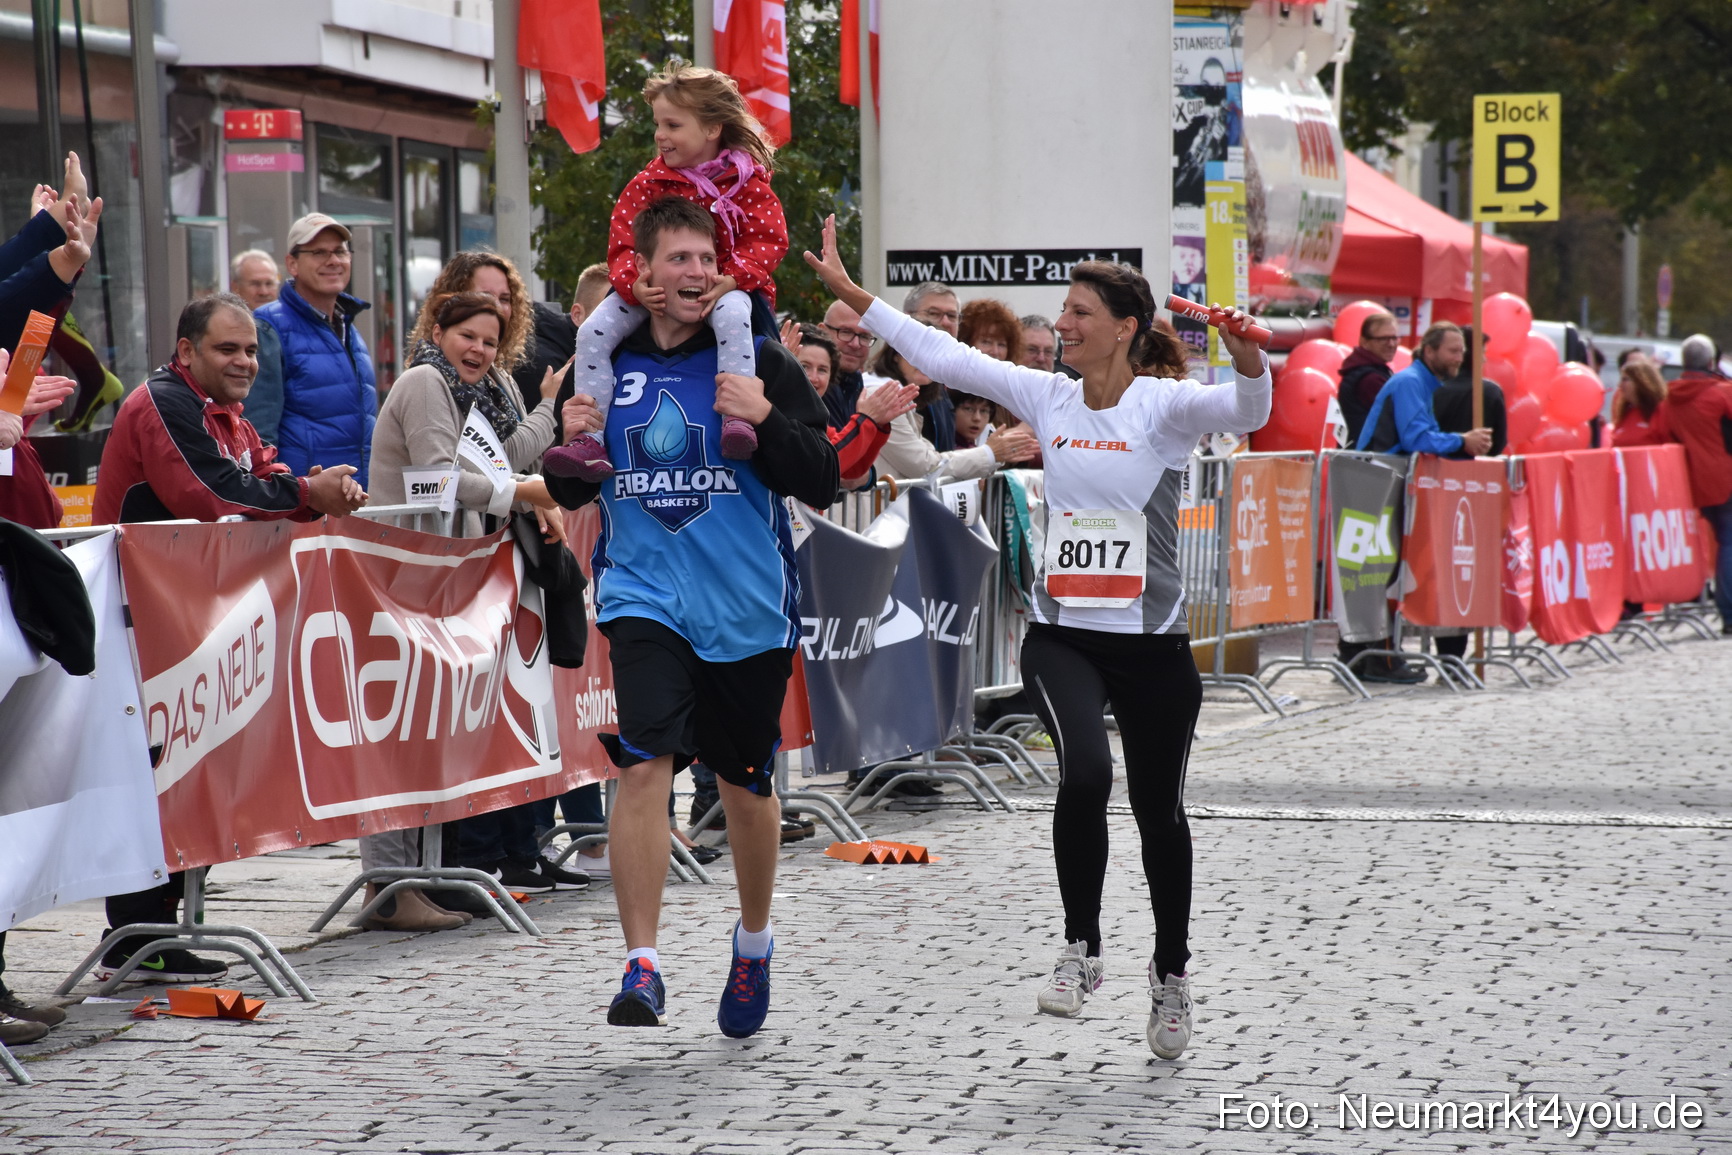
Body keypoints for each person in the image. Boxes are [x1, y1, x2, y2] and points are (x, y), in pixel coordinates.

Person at [805, 213, 1271, 1060]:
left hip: (1153, 646)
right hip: (1064, 635)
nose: (1063, 325)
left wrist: (1246, 353)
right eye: (1062, 312)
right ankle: (1081, 947)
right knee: (1086, 772)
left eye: (1081, 313)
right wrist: (852, 297)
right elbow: (946, 357)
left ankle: (1171, 973)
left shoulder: (1165, 409)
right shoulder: (1046, 394)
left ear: (1125, 329)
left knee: (1158, 811)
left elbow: (1249, 405)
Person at [544, 195, 838, 1036]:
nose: (699, 274)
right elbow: (569, 484)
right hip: (643, 593)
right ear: (640, 273)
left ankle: (753, 941)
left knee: (746, 784)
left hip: (746, 606)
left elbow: (821, 475)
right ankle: (643, 961)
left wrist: (765, 419)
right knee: (642, 760)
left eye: (708, 259)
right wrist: (563, 435)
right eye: (680, 259)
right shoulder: (604, 360)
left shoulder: (756, 356)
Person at [92, 294, 368, 975]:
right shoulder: (163, 401)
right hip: (139, 620)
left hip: (194, 625)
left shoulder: (229, 414)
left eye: (250, 350)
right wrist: (309, 493)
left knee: (192, 764)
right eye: (227, 349)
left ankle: (163, 927)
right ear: (187, 352)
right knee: (152, 770)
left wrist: (303, 485)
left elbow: (261, 470)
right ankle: (137, 935)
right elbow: (212, 492)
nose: (244, 361)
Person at [549, 64, 788, 482]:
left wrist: (731, 277)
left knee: (734, 316)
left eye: (673, 125)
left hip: (729, 287)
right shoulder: (647, 183)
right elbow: (623, 241)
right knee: (591, 333)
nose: (660, 135)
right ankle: (588, 438)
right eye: (658, 124)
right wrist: (634, 284)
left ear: (713, 128)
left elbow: (770, 240)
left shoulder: (748, 182)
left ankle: (738, 418)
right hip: (650, 294)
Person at [250, 214, 378, 478]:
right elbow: (257, 435)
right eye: (319, 252)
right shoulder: (267, 327)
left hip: (354, 500)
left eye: (340, 251)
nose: (333, 261)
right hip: (303, 506)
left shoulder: (348, 328)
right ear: (292, 264)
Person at [1653, 334, 1732, 633]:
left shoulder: (1670, 398)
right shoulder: (1721, 393)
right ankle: (1729, 614)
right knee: (1729, 542)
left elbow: (1665, 436)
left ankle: (1724, 608)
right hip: (1726, 477)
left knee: (1724, 541)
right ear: (1712, 362)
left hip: (1693, 481)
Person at [870, 340, 1039, 480]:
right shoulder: (883, 395)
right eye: (918, 351)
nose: (925, 360)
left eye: (933, 354)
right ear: (895, 354)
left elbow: (928, 460)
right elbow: (925, 466)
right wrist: (989, 453)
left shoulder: (899, 394)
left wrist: (993, 454)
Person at [786, 321, 917, 489]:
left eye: (822, 370)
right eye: (804, 366)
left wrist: (877, 424)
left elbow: (852, 470)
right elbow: (828, 463)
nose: (813, 378)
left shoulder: (814, 417)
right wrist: (866, 420)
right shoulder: (780, 412)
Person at [1357, 322, 1492, 458]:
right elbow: (1416, 440)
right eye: (1453, 351)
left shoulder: (1422, 382)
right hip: (1376, 472)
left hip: (1384, 470)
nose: (1459, 359)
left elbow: (1428, 441)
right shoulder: (1409, 381)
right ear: (1429, 351)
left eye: (1461, 352)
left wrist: (1465, 444)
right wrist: (1463, 441)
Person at [1434, 327, 1509, 458]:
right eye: (1482, 353)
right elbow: (1498, 443)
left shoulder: (1431, 387)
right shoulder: (1491, 391)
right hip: (1477, 472)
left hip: (1432, 470)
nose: (1484, 360)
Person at [1337, 310, 1400, 448]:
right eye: (1383, 339)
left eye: (1394, 338)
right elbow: (1399, 419)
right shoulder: (1370, 379)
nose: (1391, 344)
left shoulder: (1367, 370)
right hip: (1366, 462)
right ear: (1364, 342)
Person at [818, 298, 879, 426]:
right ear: (822, 331)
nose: (855, 344)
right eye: (846, 332)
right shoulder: (812, 382)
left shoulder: (855, 382)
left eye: (864, 336)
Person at [1610, 355, 1668, 447]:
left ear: (1641, 382)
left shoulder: (1661, 411)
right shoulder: (1624, 413)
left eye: (1625, 380)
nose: (1620, 385)